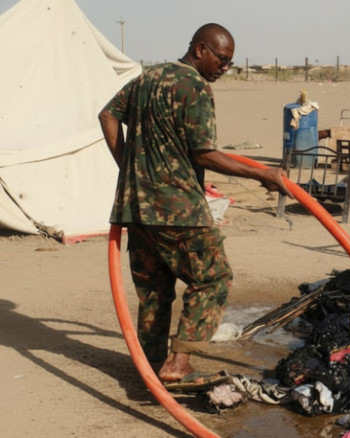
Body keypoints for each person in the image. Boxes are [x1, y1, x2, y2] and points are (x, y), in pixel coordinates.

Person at [99, 23, 291, 385]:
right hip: (178, 209)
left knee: (154, 290)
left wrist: (129, 168)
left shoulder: (148, 78)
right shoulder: (195, 87)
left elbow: (107, 114)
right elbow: (204, 154)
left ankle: (150, 366)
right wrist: (263, 175)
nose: (224, 68)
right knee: (213, 279)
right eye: (221, 59)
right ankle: (178, 362)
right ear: (201, 49)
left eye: (230, 63)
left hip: (135, 209)